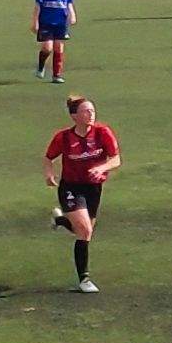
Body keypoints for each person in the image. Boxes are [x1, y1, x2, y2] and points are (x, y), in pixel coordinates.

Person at [43, 94, 121, 293]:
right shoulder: (64, 137)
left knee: (84, 232)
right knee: (85, 231)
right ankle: (84, 279)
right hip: (71, 187)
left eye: (92, 110)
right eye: (86, 111)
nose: (91, 114)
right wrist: (49, 174)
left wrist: (102, 168)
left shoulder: (103, 133)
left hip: (93, 188)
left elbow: (116, 159)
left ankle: (60, 221)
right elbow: (49, 157)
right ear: (74, 116)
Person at [33, 0, 76, 83]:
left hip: (60, 22)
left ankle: (57, 75)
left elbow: (68, 3)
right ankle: (41, 67)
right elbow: (38, 6)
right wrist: (35, 21)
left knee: (59, 47)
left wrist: (72, 14)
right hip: (46, 22)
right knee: (47, 48)